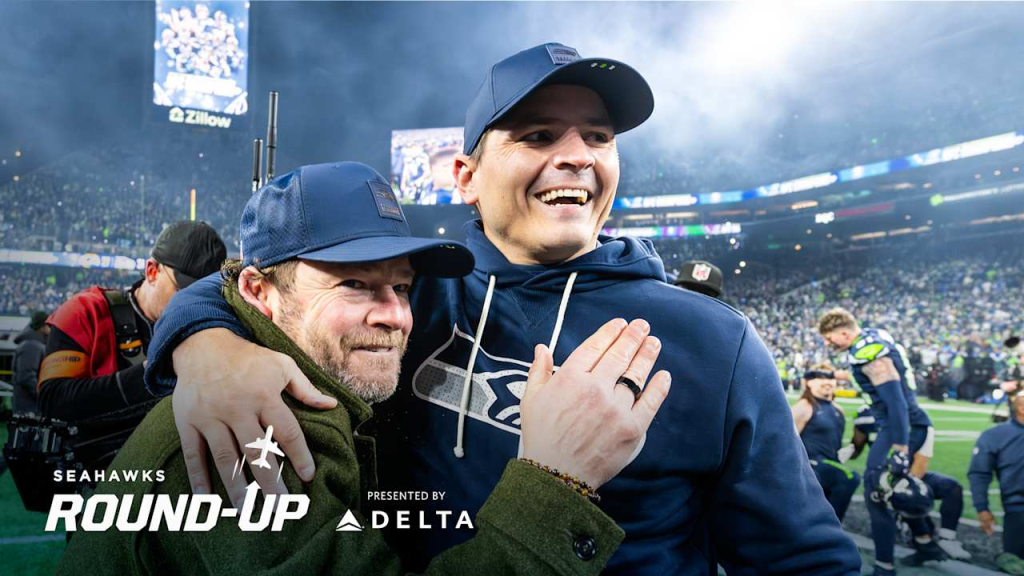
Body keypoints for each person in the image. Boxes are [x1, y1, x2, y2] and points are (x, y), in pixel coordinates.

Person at [144, 43, 861, 574]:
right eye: (538, 135)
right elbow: (248, 284)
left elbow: (802, 558)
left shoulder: (711, 340)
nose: (578, 155)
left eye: (599, 137)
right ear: (465, 177)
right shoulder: (412, 294)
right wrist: (208, 347)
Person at [58, 162, 668, 575]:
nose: (394, 316)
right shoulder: (251, 429)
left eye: (402, 287)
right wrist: (555, 485)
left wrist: (203, 338)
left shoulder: (299, 371)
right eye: (353, 283)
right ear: (259, 292)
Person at [37, 220, 226, 476]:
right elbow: (53, 401)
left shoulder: (209, 331)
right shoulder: (86, 312)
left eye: (202, 295)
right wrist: (155, 372)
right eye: (183, 290)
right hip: (96, 477)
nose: (191, 304)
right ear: (152, 271)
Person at [818, 308, 947, 574]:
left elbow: (895, 401)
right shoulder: (873, 337)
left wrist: (900, 449)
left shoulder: (868, 350)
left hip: (901, 426)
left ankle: (884, 567)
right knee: (891, 488)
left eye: (830, 338)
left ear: (844, 332)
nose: (828, 344)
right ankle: (925, 543)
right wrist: (832, 375)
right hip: (904, 423)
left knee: (876, 491)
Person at [845, 404, 972, 560]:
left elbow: (920, 464)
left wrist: (903, 490)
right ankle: (922, 541)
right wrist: (843, 453)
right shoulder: (866, 413)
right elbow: (857, 445)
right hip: (880, 478)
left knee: (950, 488)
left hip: (909, 475)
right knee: (907, 498)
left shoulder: (918, 420)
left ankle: (945, 538)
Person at [969, 361, 1024, 575]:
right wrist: (982, 508)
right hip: (1019, 510)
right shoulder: (995, 436)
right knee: (1016, 561)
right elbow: (979, 474)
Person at [791, 363, 860, 522]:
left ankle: (827, 527)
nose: (827, 382)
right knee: (850, 477)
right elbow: (786, 442)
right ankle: (831, 527)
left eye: (830, 377)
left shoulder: (838, 409)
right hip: (810, 467)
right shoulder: (804, 406)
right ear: (809, 382)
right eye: (821, 378)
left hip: (830, 465)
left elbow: (837, 447)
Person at [12, 310, 49, 414]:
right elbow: (26, 378)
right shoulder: (31, 345)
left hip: (29, 409)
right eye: (49, 325)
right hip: (29, 410)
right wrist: (45, 396)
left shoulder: (34, 344)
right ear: (42, 327)